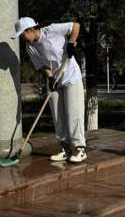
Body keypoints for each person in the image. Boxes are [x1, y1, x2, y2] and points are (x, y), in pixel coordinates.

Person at [12, 17, 86, 163]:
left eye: (23, 35)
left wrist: (71, 43)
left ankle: (79, 149)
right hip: (55, 80)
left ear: (31, 30)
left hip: (71, 75)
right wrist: (50, 77)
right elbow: (42, 65)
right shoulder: (30, 46)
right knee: (58, 116)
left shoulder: (51, 30)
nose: (22, 38)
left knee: (73, 113)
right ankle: (65, 149)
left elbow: (75, 26)